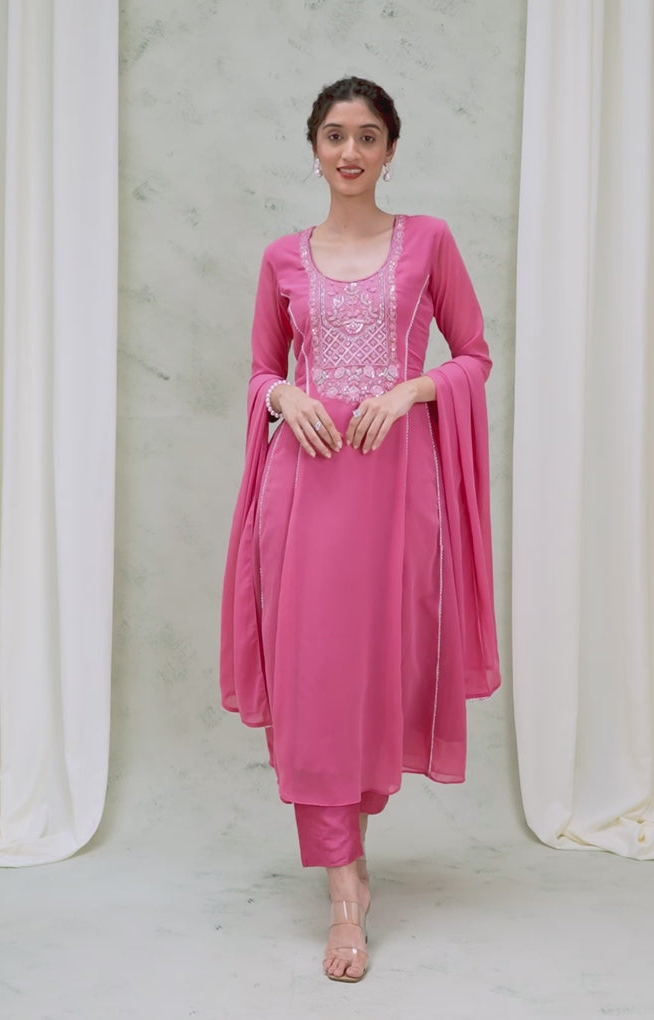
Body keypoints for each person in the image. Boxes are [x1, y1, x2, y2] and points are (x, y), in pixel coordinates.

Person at [220, 76, 500, 982]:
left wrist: (413, 388)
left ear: (390, 150)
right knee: (312, 680)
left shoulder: (430, 243)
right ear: (314, 147)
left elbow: (474, 356)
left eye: (368, 136)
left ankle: (353, 844)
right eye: (335, 135)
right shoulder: (281, 258)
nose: (350, 151)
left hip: (394, 493)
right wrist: (284, 394)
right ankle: (345, 891)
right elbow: (260, 371)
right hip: (304, 491)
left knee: (375, 672)